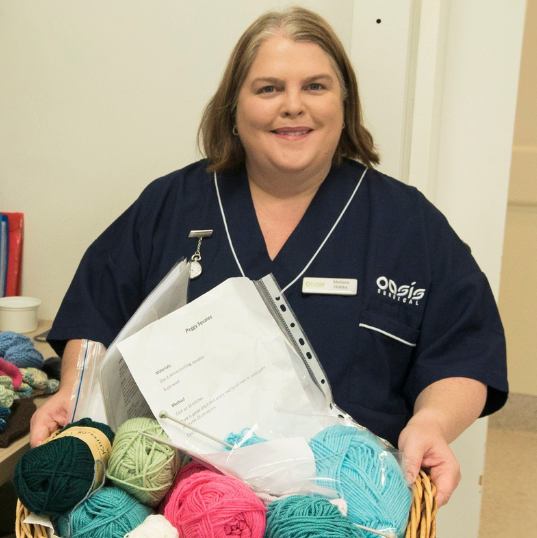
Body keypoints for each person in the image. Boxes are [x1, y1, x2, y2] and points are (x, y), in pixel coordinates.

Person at [34, 7, 507, 507]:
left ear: (344, 103)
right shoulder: (170, 206)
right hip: (182, 507)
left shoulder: (407, 224)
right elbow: (97, 313)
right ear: (232, 109)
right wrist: (75, 390)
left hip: (349, 508)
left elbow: (463, 351)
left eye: (316, 87)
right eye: (268, 89)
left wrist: (431, 423)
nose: (293, 106)